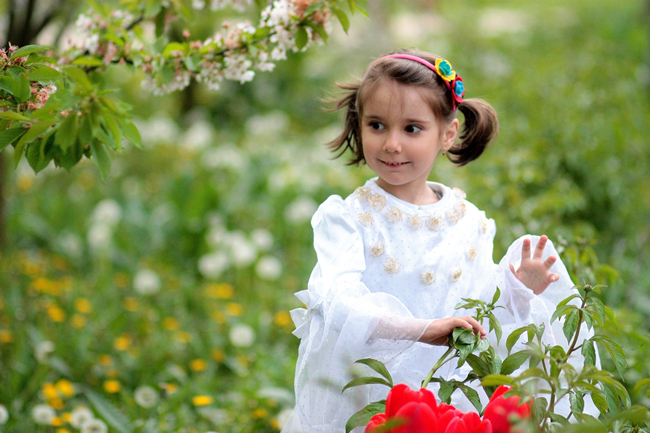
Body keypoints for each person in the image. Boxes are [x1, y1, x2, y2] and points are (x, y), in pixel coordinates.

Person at [282, 49, 591, 433]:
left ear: (447, 133)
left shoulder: (469, 221)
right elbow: (339, 305)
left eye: (412, 128)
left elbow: (481, 313)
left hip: (450, 395)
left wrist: (517, 290)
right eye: (377, 125)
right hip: (371, 399)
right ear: (359, 125)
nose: (392, 144)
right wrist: (422, 330)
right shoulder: (347, 219)